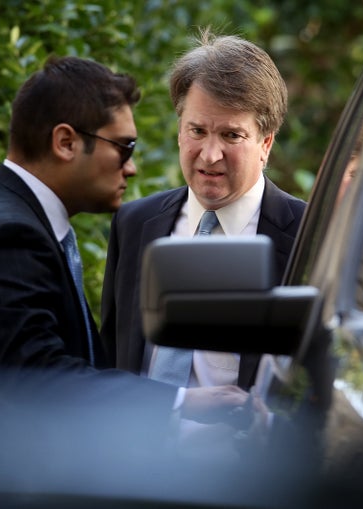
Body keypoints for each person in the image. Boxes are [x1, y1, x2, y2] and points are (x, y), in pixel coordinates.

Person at [0, 56, 247, 434]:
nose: (131, 167)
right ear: (65, 142)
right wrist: (181, 400)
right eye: (124, 147)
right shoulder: (6, 237)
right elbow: (35, 382)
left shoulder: (11, 216)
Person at [101, 29, 306, 395]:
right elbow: (112, 360)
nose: (210, 155)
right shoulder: (134, 224)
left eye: (231, 136)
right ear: (179, 131)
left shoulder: (308, 237)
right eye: (197, 130)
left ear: (266, 143)